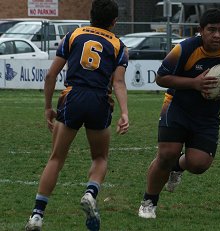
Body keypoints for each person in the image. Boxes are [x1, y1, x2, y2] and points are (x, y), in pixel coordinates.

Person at [138, 8, 220, 219]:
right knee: (166, 154)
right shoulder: (184, 49)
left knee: (198, 165)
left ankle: (178, 167)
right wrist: (195, 83)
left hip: (208, 116)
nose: (217, 35)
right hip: (177, 107)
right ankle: (149, 201)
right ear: (201, 30)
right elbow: (161, 78)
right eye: (211, 30)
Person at [25, 0, 129, 230]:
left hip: (72, 97)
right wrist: (124, 112)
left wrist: (47, 107)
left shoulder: (73, 35)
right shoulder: (119, 45)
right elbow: (119, 81)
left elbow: (51, 75)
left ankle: (36, 215)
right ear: (114, 21)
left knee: (56, 158)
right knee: (100, 158)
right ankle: (91, 193)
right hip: (100, 100)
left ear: (90, 16)